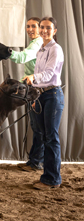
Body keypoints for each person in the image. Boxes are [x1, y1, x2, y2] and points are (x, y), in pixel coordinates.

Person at [23, 17, 64, 190]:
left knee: (51, 138)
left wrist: (33, 78)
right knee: (42, 134)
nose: (44, 30)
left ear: (54, 31)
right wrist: (34, 97)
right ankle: (46, 176)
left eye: (48, 28)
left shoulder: (56, 49)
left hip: (53, 95)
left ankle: (52, 179)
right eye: (42, 27)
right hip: (41, 96)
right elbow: (41, 76)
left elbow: (48, 75)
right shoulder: (41, 49)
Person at [10, 17, 44, 172]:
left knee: (38, 128)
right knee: (36, 127)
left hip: (39, 90)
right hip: (34, 89)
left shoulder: (37, 43)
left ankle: (36, 162)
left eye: (33, 26)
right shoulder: (34, 43)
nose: (30, 29)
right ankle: (34, 161)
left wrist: (6, 52)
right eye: (28, 26)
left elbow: (22, 57)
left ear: (40, 28)